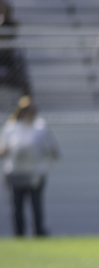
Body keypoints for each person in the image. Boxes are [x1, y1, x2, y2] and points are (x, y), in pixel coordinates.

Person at [0, 96, 59, 237]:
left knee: (36, 205)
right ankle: (19, 234)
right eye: (27, 110)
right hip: (16, 172)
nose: (31, 113)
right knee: (17, 207)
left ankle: (38, 232)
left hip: (35, 172)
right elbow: (3, 149)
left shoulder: (40, 127)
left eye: (33, 110)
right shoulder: (11, 127)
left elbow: (52, 150)